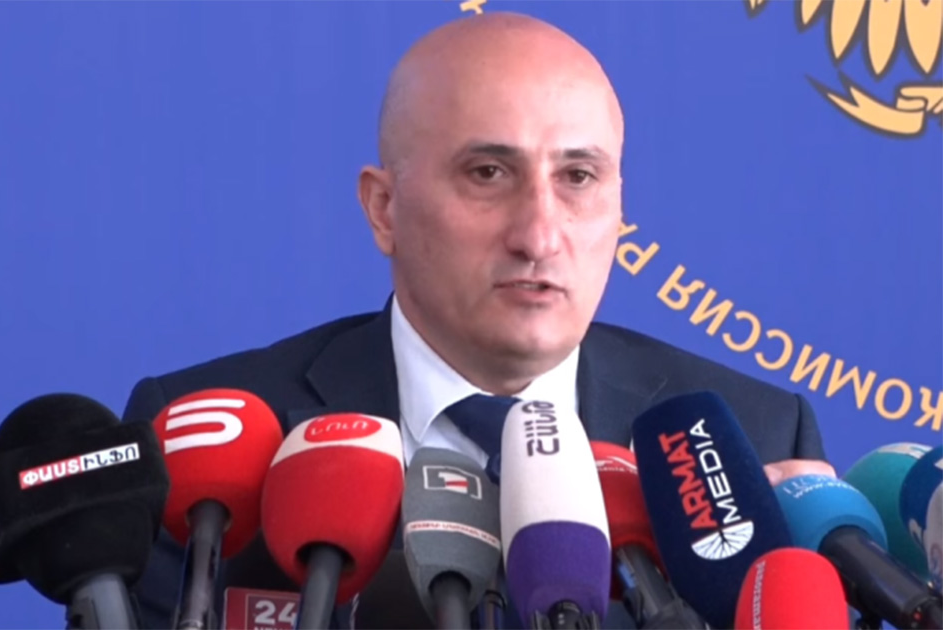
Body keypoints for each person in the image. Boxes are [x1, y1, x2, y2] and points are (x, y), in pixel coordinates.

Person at [123, 11, 835, 629]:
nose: (539, 235)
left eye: (578, 177)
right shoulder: (197, 444)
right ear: (384, 209)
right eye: (488, 173)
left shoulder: (749, 439)